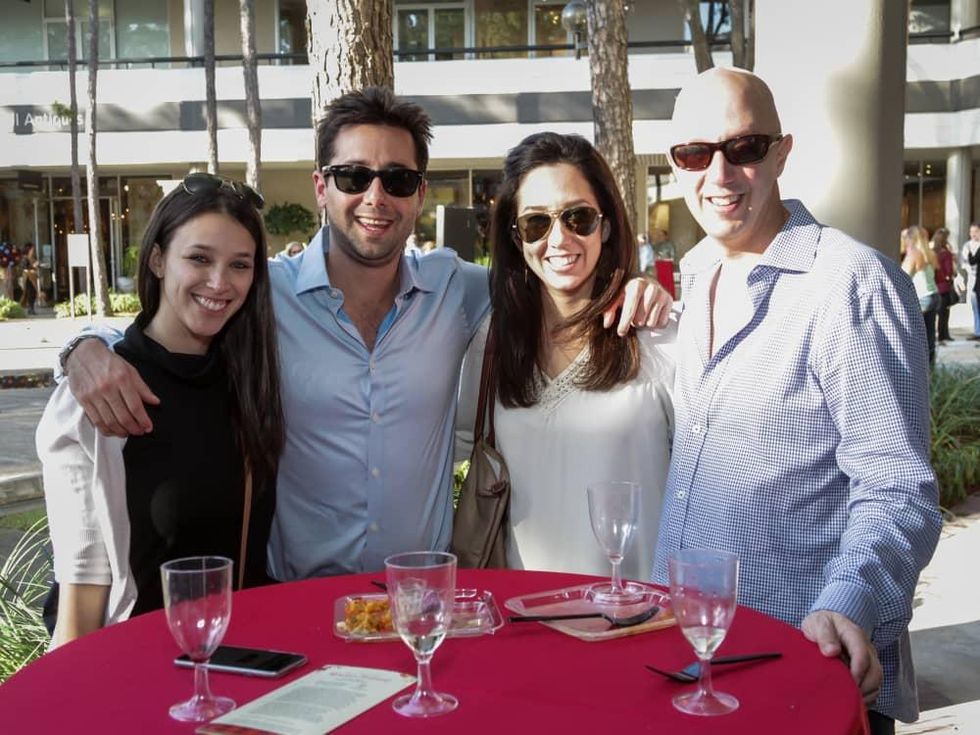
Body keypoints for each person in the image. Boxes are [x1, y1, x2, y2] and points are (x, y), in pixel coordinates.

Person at [60, 87, 671, 581]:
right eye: (354, 177)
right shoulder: (262, 295)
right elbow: (176, 313)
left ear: (419, 195)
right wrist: (82, 346)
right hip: (297, 600)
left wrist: (634, 282)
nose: (375, 196)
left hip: (423, 598)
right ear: (322, 186)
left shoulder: (456, 291)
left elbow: (554, 271)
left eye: (398, 180)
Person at [653, 68, 941, 734]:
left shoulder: (850, 284)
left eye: (744, 148)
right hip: (695, 667)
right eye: (696, 153)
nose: (718, 173)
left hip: (806, 669)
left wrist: (850, 602)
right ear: (674, 165)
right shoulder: (690, 278)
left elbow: (896, 489)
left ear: (781, 152)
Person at [37, 173, 284, 647]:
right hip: (139, 676)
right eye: (198, 258)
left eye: (239, 264)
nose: (219, 282)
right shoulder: (99, 394)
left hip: (245, 670)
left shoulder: (250, 383)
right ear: (156, 259)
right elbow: (81, 596)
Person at [457, 133, 674, 579]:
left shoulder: (655, 336)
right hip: (525, 622)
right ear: (516, 238)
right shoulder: (493, 339)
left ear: (606, 226)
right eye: (537, 222)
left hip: (637, 623)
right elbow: (442, 451)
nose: (559, 239)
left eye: (578, 217)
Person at [902, 225, 940, 365]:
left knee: (916, 337)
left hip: (922, 297)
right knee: (929, 337)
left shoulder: (914, 254)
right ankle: (931, 368)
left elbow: (903, 275)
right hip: (933, 294)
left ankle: (920, 368)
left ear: (910, 239)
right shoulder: (929, 253)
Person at [930, 227, 955, 342]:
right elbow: (949, 270)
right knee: (944, 313)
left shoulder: (931, 253)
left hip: (934, 286)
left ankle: (934, 335)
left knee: (934, 313)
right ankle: (943, 334)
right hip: (944, 286)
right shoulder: (946, 254)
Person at [962, 222, 980, 340]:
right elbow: (965, 262)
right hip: (973, 278)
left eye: (975, 231)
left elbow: (972, 260)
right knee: (975, 306)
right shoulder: (967, 245)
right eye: (971, 232)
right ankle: (977, 330)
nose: (973, 234)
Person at [19, 242, 38, 314]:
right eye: (32, 249)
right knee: (29, 293)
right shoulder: (25, 258)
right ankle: (30, 308)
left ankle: (31, 307)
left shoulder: (33, 258)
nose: (33, 250)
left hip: (33, 277)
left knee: (33, 292)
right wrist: (33, 267)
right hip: (28, 278)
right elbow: (24, 268)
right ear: (28, 249)